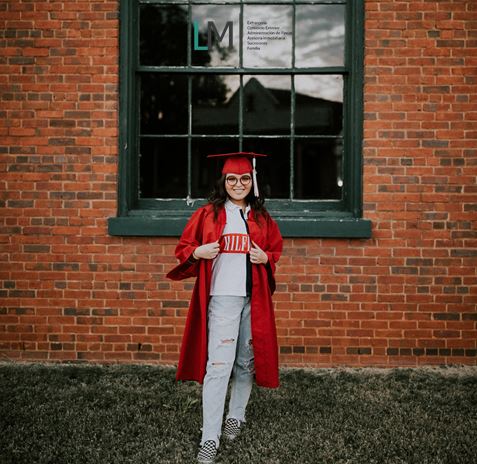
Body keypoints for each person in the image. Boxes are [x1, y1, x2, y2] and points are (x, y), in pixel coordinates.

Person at [166, 152, 283, 463]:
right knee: (218, 367)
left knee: (246, 362)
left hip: (253, 299)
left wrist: (265, 259)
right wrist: (200, 251)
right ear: (223, 182)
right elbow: (183, 249)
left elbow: (274, 249)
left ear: (252, 181)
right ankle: (210, 436)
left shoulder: (261, 217)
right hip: (223, 298)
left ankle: (236, 416)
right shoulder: (208, 214)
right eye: (232, 179)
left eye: (245, 178)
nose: (238, 184)